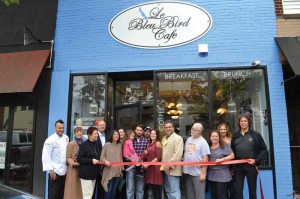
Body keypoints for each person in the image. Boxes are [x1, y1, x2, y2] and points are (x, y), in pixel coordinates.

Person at [231, 113, 267, 199]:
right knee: (238, 191)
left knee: (252, 191)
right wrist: (232, 167)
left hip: (251, 165)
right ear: (239, 123)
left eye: (245, 121)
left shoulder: (255, 135)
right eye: (241, 121)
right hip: (238, 166)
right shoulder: (235, 136)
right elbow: (231, 152)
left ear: (248, 122)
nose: (243, 123)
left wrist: (256, 160)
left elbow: (263, 149)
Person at [42, 119, 69, 199]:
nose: (62, 129)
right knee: (53, 195)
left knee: (62, 194)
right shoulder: (50, 140)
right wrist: (51, 170)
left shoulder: (66, 138)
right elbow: (46, 156)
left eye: (63, 128)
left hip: (64, 171)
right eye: (59, 128)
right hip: (55, 171)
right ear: (55, 128)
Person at [182, 123, 210, 199]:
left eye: (194, 130)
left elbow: (205, 158)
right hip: (188, 172)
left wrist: (203, 174)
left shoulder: (203, 142)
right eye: (192, 128)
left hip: (198, 173)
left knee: (199, 196)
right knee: (190, 195)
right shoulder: (188, 139)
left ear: (199, 131)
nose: (192, 130)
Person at [207, 130, 234, 199]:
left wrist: (222, 160)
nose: (215, 138)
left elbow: (232, 156)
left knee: (222, 196)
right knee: (214, 196)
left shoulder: (224, 146)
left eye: (216, 136)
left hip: (222, 175)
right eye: (213, 136)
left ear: (219, 137)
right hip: (211, 176)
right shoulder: (207, 147)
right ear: (210, 137)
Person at [161, 120, 183, 199]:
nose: (168, 129)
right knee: (168, 190)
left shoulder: (178, 138)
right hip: (165, 168)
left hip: (173, 168)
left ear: (173, 128)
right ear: (164, 129)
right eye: (166, 127)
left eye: (170, 127)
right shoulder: (163, 138)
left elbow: (178, 153)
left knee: (174, 191)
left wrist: (169, 165)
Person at [77, 126, 101, 199]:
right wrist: (91, 160)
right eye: (95, 134)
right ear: (89, 135)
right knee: (87, 195)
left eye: (97, 134)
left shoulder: (97, 144)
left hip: (94, 174)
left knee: (90, 195)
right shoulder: (84, 145)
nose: (97, 135)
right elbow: (79, 159)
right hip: (86, 174)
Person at [126, 124, 149, 199]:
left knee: (140, 188)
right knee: (130, 188)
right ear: (135, 131)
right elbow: (126, 153)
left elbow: (148, 154)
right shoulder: (130, 140)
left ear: (143, 131)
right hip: (131, 167)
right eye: (137, 130)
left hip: (141, 168)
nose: (139, 132)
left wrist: (145, 156)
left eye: (141, 130)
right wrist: (130, 159)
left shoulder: (146, 141)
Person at [101, 130, 124, 199]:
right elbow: (102, 157)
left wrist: (121, 170)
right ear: (111, 135)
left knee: (113, 191)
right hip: (109, 171)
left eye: (117, 134)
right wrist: (106, 161)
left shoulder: (119, 145)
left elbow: (120, 157)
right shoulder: (106, 145)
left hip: (117, 171)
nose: (116, 135)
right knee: (108, 190)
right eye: (114, 134)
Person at [64, 127, 85, 199]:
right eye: (77, 132)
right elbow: (67, 157)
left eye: (80, 132)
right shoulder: (71, 143)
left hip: (82, 169)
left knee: (80, 190)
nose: (79, 133)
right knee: (72, 189)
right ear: (74, 134)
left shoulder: (84, 143)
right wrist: (73, 163)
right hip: (73, 170)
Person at [143, 129, 163, 199]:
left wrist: (148, 164)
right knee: (152, 191)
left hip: (155, 169)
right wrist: (146, 153)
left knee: (157, 191)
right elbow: (149, 155)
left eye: (154, 133)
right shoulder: (149, 143)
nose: (153, 135)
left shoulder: (157, 143)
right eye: (152, 133)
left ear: (157, 135)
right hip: (150, 169)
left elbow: (158, 157)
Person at [217, 123, 235, 199]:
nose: (223, 131)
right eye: (221, 129)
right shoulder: (216, 139)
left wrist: (233, 168)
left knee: (233, 189)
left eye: (224, 129)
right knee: (223, 191)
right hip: (221, 168)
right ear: (219, 130)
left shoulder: (231, 139)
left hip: (231, 166)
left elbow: (234, 154)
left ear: (227, 130)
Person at [94, 119, 109, 199]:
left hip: (106, 165)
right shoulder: (94, 136)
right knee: (93, 187)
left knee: (103, 185)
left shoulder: (108, 136)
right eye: (100, 125)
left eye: (104, 125)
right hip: (96, 164)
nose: (102, 126)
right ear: (97, 126)